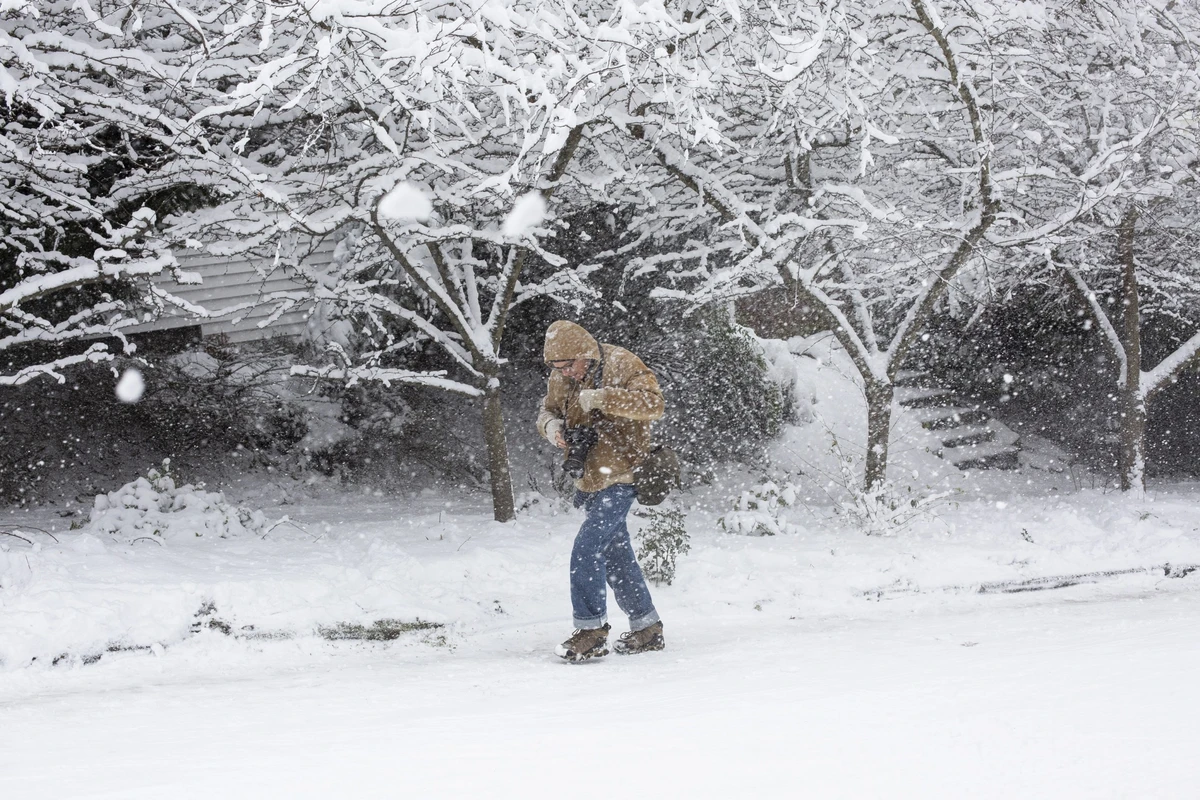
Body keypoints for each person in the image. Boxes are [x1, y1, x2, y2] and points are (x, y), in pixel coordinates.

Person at [537, 320, 666, 662]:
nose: (564, 373)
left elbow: (654, 404)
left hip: (624, 473)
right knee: (615, 554)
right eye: (556, 368)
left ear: (584, 355)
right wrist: (552, 428)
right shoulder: (561, 376)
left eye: (568, 366)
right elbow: (547, 409)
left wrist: (603, 399)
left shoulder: (622, 363)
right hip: (589, 477)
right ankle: (647, 627)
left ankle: (591, 631)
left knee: (587, 547)